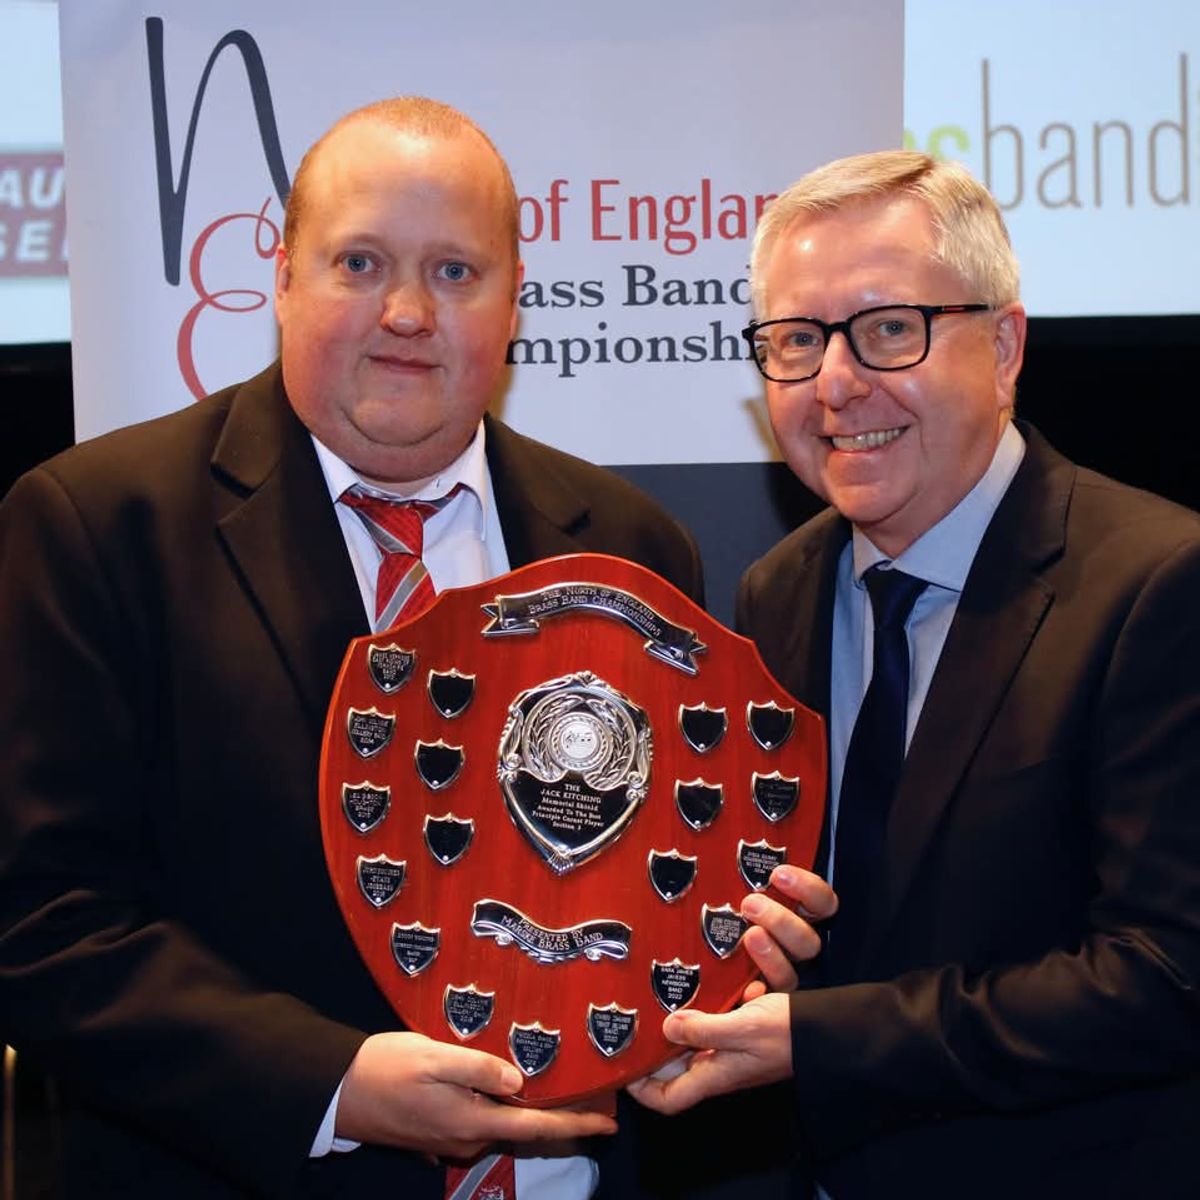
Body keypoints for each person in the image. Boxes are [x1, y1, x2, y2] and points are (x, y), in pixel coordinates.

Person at [0, 97, 705, 1197]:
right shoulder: (97, 527)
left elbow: (660, 881)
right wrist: (330, 1083)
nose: (408, 313)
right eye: (361, 263)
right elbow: (43, 924)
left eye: (456, 272)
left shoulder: (630, 551)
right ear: (284, 278)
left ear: (515, 300)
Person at [629, 150, 1200, 1197]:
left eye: (890, 329)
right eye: (797, 340)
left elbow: (1167, 976)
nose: (837, 383)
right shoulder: (775, 594)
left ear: (1005, 347)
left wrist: (822, 1038)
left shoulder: (1160, 583)